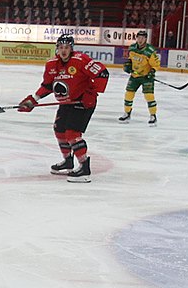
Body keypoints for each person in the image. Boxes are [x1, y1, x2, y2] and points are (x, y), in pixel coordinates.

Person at [18, 34, 109, 183]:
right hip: (66, 103)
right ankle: (68, 161)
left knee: (72, 134)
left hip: (83, 103)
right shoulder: (51, 65)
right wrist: (33, 100)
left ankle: (84, 167)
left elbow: (102, 73)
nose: (64, 50)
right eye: (61, 47)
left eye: (67, 47)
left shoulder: (81, 60)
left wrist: (92, 92)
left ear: (72, 49)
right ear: (57, 49)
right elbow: (47, 86)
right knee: (59, 130)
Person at [118, 29, 159, 124]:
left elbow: (156, 64)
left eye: (142, 38)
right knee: (128, 94)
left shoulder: (150, 51)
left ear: (145, 39)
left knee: (149, 96)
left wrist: (151, 72)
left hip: (146, 77)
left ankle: (153, 115)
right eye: (138, 37)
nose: (140, 40)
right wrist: (128, 65)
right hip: (134, 76)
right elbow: (130, 59)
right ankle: (127, 113)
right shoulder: (132, 48)